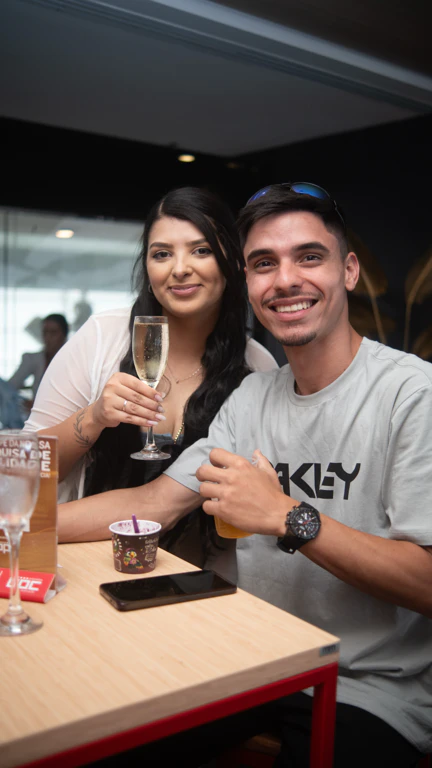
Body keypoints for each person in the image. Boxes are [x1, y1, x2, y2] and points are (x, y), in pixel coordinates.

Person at [58, 184, 432, 767]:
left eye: (309, 257)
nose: (286, 280)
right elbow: (155, 502)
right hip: (251, 659)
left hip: (369, 688)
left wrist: (289, 516)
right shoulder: (251, 396)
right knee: (92, 739)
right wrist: (20, 527)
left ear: (349, 270)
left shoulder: (412, 395)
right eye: (264, 263)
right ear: (249, 283)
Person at [26, 186, 277, 566]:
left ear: (231, 260)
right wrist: (93, 417)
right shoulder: (102, 338)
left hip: (201, 579)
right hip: (87, 566)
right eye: (162, 254)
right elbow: (28, 473)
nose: (179, 268)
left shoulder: (257, 367)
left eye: (201, 250)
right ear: (147, 268)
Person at [8, 313, 69, 404]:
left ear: (64, 335)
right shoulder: (33, 359)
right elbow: (10, 386)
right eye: (45, 332)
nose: (48, 337)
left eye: (53, 332)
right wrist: (23, 402)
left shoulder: (75, 361)